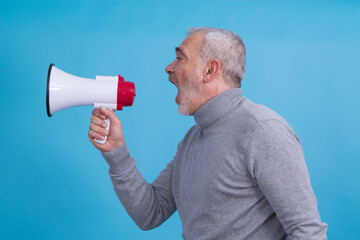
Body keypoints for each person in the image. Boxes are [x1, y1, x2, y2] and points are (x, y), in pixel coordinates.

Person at [88, 27, 328, 239]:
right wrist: (116, 152)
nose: (169, 68)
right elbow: (150, 213)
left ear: (209, 70)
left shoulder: (262, 130)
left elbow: (308, 233)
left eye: (179, 58)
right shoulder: (192, 139)